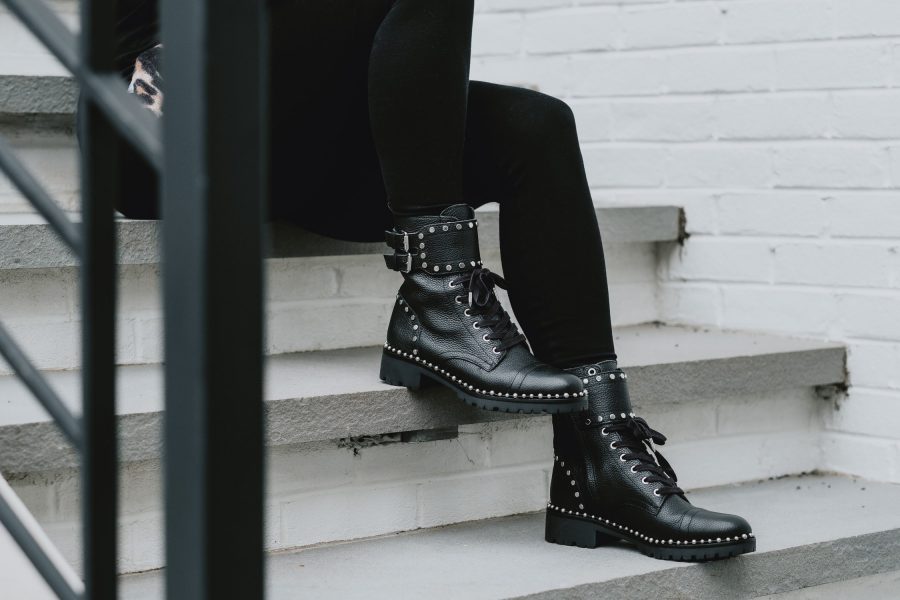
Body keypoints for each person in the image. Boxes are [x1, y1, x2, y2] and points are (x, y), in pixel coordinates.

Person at [80, 0, 756, 562]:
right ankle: (437, 293)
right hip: (153, 112)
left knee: (536, 127)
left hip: (283, 134)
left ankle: (598, 463)